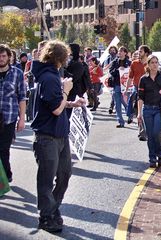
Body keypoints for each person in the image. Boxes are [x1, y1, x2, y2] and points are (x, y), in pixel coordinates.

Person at [31, 40, 86, 232]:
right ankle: (46, 216)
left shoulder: (54, 75)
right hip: (47, 137)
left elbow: (57, 104)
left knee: (65, 174)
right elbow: (55, 109)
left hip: (60, 135)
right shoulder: (48, 77)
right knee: (47, 178)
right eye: (67, 56)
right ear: (60, 57)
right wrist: (66, 91)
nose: (69, 59)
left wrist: (72, 102)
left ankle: (53, 209)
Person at [137, 55, 161, 168]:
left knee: (157, 132)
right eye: (152, 62)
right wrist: (139, 113)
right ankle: (152, 158)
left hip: (159, 109)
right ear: (148, 64)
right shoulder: (143, 79)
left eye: (156, 62)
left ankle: (160, 154)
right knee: (150, 135)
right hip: (147, 109)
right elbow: (140, 97)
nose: (154, 64)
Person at [0, 44, 26, 183]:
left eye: (4, 56)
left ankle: (6, 175)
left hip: (9, 117)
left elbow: (22, 97)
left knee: (4, 149)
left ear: (9, 57)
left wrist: (22, 119)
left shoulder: (17, 73)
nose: (1, 59)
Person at [127, 45, 151, 122]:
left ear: (146, 53)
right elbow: (130, 77)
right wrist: (126, 88)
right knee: (133, 95)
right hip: (136, 85)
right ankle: (130, 114)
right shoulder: (134, 63)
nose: (138, 53)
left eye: (140, 51)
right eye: (138, 51)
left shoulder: (150, 63)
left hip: (148, 87)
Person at [109, 46, 131, 128]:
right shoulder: (115, 62)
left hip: (126, 85)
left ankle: (130, 115)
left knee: (127, 102)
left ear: (125, 53)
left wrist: (125, 69)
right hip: (117, 84)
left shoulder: (129, 62)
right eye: (119, 51)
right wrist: (118, 70)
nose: (120, 53)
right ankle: (120, 121)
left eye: (122, 51)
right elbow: (111, 71)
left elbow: (131, 72)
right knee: (117, 103)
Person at [103, 46, 118, 114]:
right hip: (109, 76)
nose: (112, 52)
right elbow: (105, 66)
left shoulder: (117, 58)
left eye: (113, 50)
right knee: (112, 93)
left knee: (114, 93)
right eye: (111, 50)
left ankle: (112, 107)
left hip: (116, 77)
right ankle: (113, 106)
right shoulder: (108, 58)